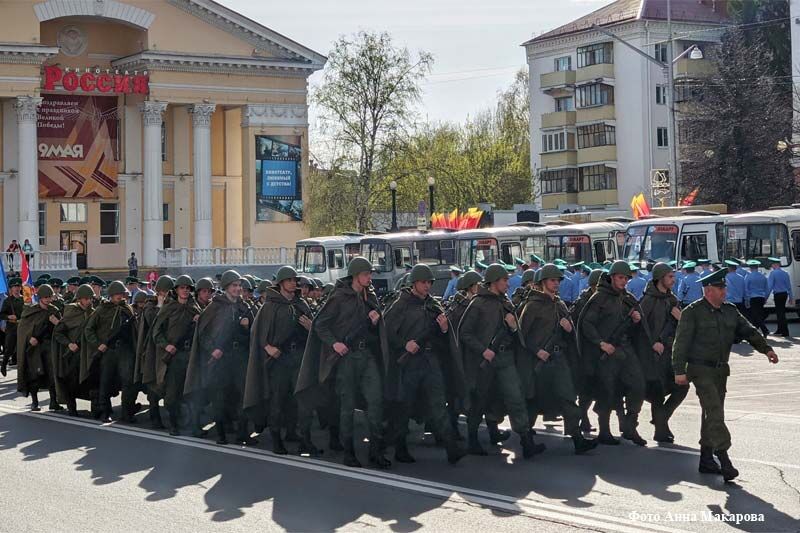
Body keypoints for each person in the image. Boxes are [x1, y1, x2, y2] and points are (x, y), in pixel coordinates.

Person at [672, 268, 779, 481]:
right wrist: (679, 371)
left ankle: (705, 458)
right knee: (714, 411)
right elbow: (680, 343)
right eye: (721, 288)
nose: (725, 291)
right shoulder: (693, 312)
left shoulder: (730, 311)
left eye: (725, 287)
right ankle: (724, 457)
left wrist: (766, 349)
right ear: (708, 290)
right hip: (699, 369)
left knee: (711, 413)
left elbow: (749, 331)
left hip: (721, 370)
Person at [296, 257, 391, 468]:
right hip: (346, 358)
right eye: (366, 274)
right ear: (356, 275)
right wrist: (335, 344)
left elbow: (377, 332)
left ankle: (376, 450)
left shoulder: (370, 296)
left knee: (375, 402)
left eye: (370, 274)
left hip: (367, 356)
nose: (370, 277)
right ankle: (348, 452)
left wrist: (375, 323)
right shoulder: (339, 297)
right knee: (346, 406)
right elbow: (320, 325)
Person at [383, 264, 466, 465]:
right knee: (404, 405)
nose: (427, 286)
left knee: (439, 404)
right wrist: (405, 344)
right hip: (409, 362)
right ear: (414, 283)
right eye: (423, 282)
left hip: (430, 361)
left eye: (429, 282)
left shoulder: (433, 305)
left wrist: (445, 329)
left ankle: (451, 447)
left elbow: (444, 336)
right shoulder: (401, 304)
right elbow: (386, 331)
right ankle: (400, 447)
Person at [458, 263, 540, 459]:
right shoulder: (477, 303)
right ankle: (472, 439)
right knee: (480, 400)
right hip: (484, 360)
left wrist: (513, 327)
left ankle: (527, 441)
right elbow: (465, 333)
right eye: (504, 280)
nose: (508, 283)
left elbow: (516, 335)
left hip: (505, 358)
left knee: (515, 397)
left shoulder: (506, 303)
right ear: (494, 281)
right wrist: (483, 350)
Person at [517, 264, 598, 455]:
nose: (556, 284)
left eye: (558, 280)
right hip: (539, 362)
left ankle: (577, 439)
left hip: (558, 359)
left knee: (568, 397)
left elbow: (570, 335)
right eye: (552, 280)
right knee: (534, 401)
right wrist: (537, 351)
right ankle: (526, 441)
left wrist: (569, 330)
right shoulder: (532, 305)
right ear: (543, 282)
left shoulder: (560, 305)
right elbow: (521, 335)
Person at [244, 266, 316, 455]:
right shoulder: (270, 306)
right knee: (278, 398)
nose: (294, 283)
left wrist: (311, 327)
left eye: (295, 280)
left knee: (300, 398)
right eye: (290, 280)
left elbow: (314, 330)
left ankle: (301, 437)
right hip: (279, 360)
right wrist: (268, 347)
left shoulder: (302, 304)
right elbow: (256, 332)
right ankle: (276, 439)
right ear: (282, 283)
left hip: (298, 357)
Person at [577, 261, 647, 446]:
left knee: (638, 384)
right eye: (620, 278)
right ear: (612, 277)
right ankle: (604, 430)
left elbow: (635, 328)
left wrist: (636, 320)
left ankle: (631, 425)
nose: (624, 281)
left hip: (625, 349)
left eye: (626, 278)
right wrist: (601, 343)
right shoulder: (599, 298)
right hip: (606, 352)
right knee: (606, 391)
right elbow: (587, 324)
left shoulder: (627, 298)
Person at [184, 270, 256, 446]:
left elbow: (253, 334)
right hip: (220, 359)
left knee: (241, 395)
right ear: (226, 287)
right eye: (234, 286)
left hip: (239, 357)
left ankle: (242, 433)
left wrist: (246, 327)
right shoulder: (215, 307)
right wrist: (213, 349)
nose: (237, 289)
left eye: (239, 286)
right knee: (219, 397)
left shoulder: (244, 307)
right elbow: (203, 333)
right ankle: (221, 433)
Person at [634, 263, 688, 443]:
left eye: (673, 276)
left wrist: (680, 318)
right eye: (670, 277)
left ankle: (661, 417)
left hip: (668, 353)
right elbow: (640, 328)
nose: (673, 280)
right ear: (660, 278)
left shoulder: (672, 299)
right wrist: (653, 343)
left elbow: (681, 326)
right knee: (657, 392)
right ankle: (660, 430)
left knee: (682, 386)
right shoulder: (648, 300)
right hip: (651, 356)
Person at [152, 275, 201, 436]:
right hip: (175, 355)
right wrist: (167, 345)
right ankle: (174, 425)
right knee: (173, 393)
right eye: (182, 288)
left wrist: (198, 321)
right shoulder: (169, 308)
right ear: (176, 290)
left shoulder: (195, 309)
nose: (185, 290)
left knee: (193, 391)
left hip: (191, 355)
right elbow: (156, 332)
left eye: (188, 288)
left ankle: (194, 427)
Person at [82, 281, 137, 422]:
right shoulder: (102, 309)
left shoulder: (128, 309)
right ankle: (105, 412)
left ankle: (127, 412)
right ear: (111, 295)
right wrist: (98, 344)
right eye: (117, 294)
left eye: (122, 294)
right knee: (105, 381)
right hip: (108, 351)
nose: (120, 296)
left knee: (128, 381)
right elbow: (89, 329)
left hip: (125, 350)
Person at [16, 284, 62, 411]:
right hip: (35, 348)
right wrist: (29, 337)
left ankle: (53, 402)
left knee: (52, 373)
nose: (48, 299)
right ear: (40, 297)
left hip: (49, 346)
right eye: (45, 297)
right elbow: (23, 329)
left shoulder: (54, 310)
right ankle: (34, 402)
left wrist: (57, 323)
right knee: (34, 374)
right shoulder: (31, 311)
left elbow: (63, 329)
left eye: (49, 297)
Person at [52, 284, 95, 416]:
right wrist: (69, 344)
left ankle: (97, 409)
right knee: (71, 381)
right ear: (80, 299)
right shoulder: (70, 312)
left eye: (90, 298)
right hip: (73, 353)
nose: (89, 301)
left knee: (92, 379)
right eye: (86, 299)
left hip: (88, 352)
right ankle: (72, 408)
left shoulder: (93, 313)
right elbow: (58, 333)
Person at [0, 278, 24, 376]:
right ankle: (4, 364)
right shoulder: (7, 301)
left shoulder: (25, 299)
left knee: (22, 350)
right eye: (14, 287)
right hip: (12, 327)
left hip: (23, 327)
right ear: (11, 289)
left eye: (18, 286)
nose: (17, 289)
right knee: (9, 349)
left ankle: (23, 371)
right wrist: (8, 316)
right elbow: (1, 315)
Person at [767, 257, 792, 337]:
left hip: (778, 294)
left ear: (775, 265)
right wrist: (791, 297)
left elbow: (770, 286)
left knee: (780, 313)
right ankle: (780, 329)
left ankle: (785, 331)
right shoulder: (785, 273)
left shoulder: (773, 273)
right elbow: (789, 286)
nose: (772, 266)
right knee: (781, 311)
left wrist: (765, 297)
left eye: (772, 265)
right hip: (785, 294)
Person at [744, 260, 769, 337]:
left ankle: (765, 330)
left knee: (755, 315)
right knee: (758, 314)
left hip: (753, 298)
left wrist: (747, 299)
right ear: (758, 267)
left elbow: (746, 289)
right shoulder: (763, 276)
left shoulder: (748, 276)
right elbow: (767, 289)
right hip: (761, 298)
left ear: (750, 268)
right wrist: (765, 298)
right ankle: (755, 332)